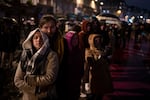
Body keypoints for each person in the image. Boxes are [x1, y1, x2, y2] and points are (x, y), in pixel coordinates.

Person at [14, 28, 59, 100]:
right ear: (31, 40)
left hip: (44, 96)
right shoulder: (25, 55)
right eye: (36, 38)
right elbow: (17, 80)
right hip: (27, 96)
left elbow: (50, 78)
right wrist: (35, 89)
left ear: (45, 39)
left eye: (41, 37)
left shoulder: (51, 55)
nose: (38, 40)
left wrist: (30, 79)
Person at [38, 14, 68, 100]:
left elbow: (65, 62)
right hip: (39, 80)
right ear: (40, 28)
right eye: (45, 27)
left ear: (56, 27)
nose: (49, 31)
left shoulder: (62, 42)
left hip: (58, 80)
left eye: (52, 27)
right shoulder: (36, 41)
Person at [83, 34, 114, 100]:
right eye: (96, 40)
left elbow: (106, 64)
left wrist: (108, 57)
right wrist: (86, 82)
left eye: (99, 40)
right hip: (93, 79)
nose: (98, 42)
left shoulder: (102, 50)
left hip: (102, 78)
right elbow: (89, 67)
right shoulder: (89, 52)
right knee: (92, 96)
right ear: (92, 41)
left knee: (100, 96)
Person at [64, 28, 84, 100]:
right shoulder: (65, 52)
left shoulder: (78, 51)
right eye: (73, 38)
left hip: (76, 80)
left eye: (76, 38)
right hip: (66, 82)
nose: (75, 40)